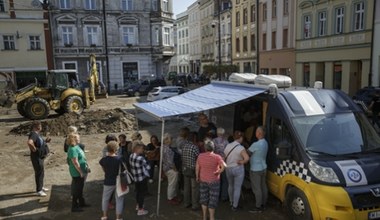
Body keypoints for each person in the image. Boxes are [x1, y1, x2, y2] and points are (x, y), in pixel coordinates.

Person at [196, 140, 226, 220]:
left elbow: (197, 168)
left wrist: (197, 177)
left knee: (204, 198)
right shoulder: (217, 157)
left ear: (205, 148)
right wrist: (218, 171)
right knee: (213, 199)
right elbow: (223, 166)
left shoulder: (200, 156)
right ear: (213, 147)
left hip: (203, 180)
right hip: (214, 181)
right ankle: (212, 217)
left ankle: (204, 217)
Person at [223, 131, 249, 211]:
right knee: (237, 187)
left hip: (228, 168)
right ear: (240, 138)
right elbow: (247, 158)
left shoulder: (228, 145)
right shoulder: (241, 148)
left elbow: (224, 157)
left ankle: (231, 201)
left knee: (230, 185)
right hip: (238, 169)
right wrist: (241, 162)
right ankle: (235, 206)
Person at [99, 141, 124, 220]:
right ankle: (118, 217)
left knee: (105, 199)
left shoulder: (104, 160)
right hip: (118, 181)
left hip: (108, 181)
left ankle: (104, 216)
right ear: (116, 149)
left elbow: (104, 169)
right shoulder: (119, 159)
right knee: (119, 200)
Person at [67, 133, 90, 212]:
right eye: (77, 137)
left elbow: (83, 158)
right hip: (77, 172)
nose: (79, 138)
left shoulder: (77, 146)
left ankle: (81, 203)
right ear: (73, 139)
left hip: (81, 170)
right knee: (77, 189)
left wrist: (87, 167)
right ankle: (74, 206)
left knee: (80, 188)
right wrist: (81, 172)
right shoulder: (73, 149)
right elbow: (75, 162)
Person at [27, 120, 50, 197]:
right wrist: (35, 150)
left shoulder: (37, 134)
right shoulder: (33, 134)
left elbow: (39, 143)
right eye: (40, 126)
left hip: (40, 157)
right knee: (39, 173)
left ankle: (41, 186)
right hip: (36, 157)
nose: (41, 127)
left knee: (41, 172)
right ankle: (39, 190)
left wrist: (46, 141)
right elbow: (30, 142)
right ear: (37, 127)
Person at [248, 126, 269, 213]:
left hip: (255, 169)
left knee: (257, 188)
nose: (255, 133)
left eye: (256, 131)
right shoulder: (265, 143)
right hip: (264, 167)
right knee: (263, 186)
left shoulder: (255, 144)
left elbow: (247, 153)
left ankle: (258, 207)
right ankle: (263, 204)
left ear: (259, 133)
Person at [129, 141, 150, 216]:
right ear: (137, 149)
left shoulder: (131, 156)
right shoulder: (141, 158)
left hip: (135, 178)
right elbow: (148, 167)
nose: (142, 150)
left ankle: (138, 205)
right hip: (142, 178)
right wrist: (147, 158)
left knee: (138, 192)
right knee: (141, 194)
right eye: (141, 148)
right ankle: (140, 209)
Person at [182, 131, 200, 210]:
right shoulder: (194, 147)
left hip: (185, 168)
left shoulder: (184, 146)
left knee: (186, 187)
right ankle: (194, 205)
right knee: (194, 188)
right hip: (193, 169)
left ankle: (186, 203)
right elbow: (198, 158)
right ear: (194, 138)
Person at [162, 133, 180, 205]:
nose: (172, 140)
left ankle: (173, 196)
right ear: (166, 140)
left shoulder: (163, 147)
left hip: (165, 168)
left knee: (171, 183)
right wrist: (175, 169)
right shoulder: (168, 149)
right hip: (170, 169)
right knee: (172, 184)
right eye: (170, 139)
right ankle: (170, 198)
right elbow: (170, 162)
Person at [213, 127, 229, 202]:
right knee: (225, 180)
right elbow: (227, 152)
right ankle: (224, 196)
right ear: (223, 133)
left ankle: (216, 195)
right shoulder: (226, 141)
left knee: (216, 179)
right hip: (223, 162)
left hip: (215, 162)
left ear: (217, 133)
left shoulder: (214, 141)